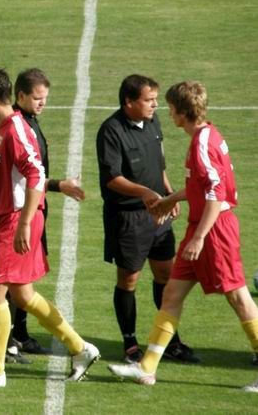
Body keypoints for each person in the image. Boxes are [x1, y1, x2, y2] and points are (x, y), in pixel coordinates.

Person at [0, 67, 99, 390]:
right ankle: (80, 349)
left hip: (17, 219)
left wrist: (25, 224)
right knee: (23, 294)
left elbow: (35, 176)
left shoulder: (16, 130)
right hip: (13, 218)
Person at [107, 81, 258, 391]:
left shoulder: (202, 144)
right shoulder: (207, 135)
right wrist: (170, 200)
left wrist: (200, 237)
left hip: (214, 230)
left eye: (170, 107)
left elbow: (216, 194)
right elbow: (199, 187)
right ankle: (147, 367)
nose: (166, 112)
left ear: (181, 111)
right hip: (200, 226)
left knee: (238, 297)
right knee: (172, 294)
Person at [95, 74, 198, 364]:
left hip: (158, 213)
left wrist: (168, 194)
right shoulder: (111, 131)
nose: (155, 105)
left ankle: (170, 341)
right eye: (148, 100)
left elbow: (159, 163)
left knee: (166, 275)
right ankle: (130, 344)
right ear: (129, 102)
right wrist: (145, 193)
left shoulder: (153, 122)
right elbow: (112, 178)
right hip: (128, 218)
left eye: (155, 99)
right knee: (129, 279)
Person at [4, 68, 86, 363]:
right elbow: (28, 178)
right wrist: (58, 185)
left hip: (34, 208)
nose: (43, 103)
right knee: (11, 281)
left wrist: (57, 186)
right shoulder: (17, 127)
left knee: (23, 278)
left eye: (45, 98)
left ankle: (20, 334)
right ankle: (9, 342)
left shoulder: (29, 121)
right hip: (21, 212)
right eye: (38, 98)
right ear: (21, 95)